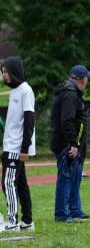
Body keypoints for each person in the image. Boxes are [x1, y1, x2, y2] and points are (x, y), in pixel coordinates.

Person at [50, 65, 90, 223]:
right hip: (66, 145)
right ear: (82, 79)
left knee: (74, 177)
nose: (87, 81)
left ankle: (75, 211)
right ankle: (62, 214)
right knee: (66, 178)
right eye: (87, 78)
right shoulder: (70, 95)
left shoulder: (73, 93)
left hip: (74, 145)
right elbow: (67, 121)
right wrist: (73, 144)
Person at [0, 56, 35, 231]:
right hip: (9, 146)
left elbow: (30, 121)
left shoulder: (25, 90)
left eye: (6, 71)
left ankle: (12, 222)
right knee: (20, 184)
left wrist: (24, 148)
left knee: (7, 183)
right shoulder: (15, 91)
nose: (4, 75)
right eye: (3, 71)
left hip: (16, 147)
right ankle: (27, 222)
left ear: (14, 71)